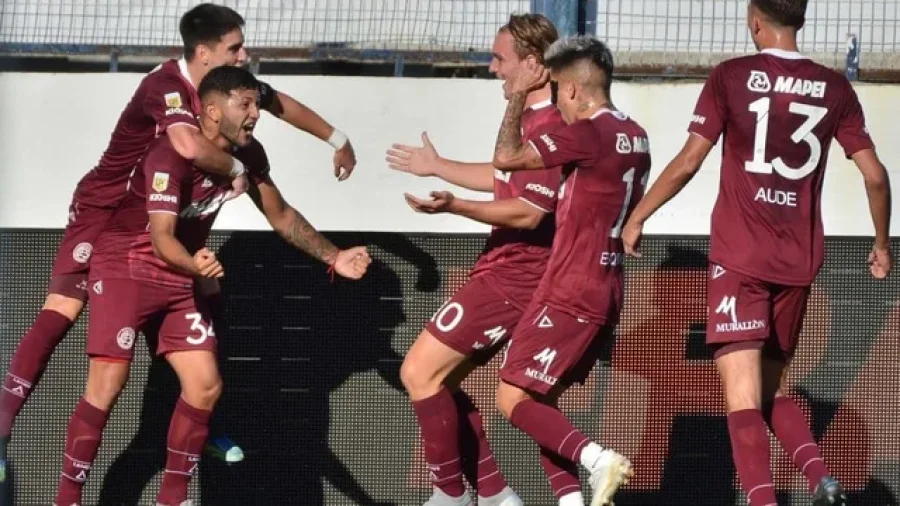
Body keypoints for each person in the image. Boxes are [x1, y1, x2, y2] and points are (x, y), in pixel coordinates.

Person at [0, 2, 357, 477]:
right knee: (63, 310)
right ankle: (3, 427)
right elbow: (188, 146)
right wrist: (236, 170)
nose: (244, 54)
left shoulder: (233, 91)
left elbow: (281, 104)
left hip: (158, 230)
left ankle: (206, 425)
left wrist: (338, 139)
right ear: (205, 52)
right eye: (235, 46)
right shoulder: (165, 86)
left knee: (206, 318)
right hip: (105, 213)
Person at [53, 65, 370, 506]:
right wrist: (196, 268)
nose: (257, 113)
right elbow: (162, 237)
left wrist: (334, 256)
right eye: (246, 104)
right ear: (214, 110)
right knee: (108, 383)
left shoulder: (250, 155)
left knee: (205, 384)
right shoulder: (169, 154)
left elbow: (280, 215)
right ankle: (66, 498)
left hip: (184, 271)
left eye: (257, 103)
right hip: (127, 265)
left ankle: (174, 499)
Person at [621, 1, 892, 505]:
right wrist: (880, 243)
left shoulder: (730, 77)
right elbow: (876, 175)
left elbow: (688, 162)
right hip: (798, 262)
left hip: (741, 257)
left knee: (742, 398)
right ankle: (819, 477)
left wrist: (638, 215)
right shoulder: (836, 88)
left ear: (754, 20)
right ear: (802, 20)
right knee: (769, 394)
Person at [386, 14, 570, 506]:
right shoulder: (527, 117)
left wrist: (455, 205)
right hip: (503, 269)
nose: (492, 68)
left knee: (417, 372)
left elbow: (529, 212)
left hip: (518, 277)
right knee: (442, 380)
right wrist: (438, 165)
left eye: (499, 59)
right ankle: (492, 494)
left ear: (533, 64)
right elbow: (503, 178)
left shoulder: (549, 123)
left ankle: (450, 495)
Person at [489, 36, 648, 506]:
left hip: (570, 286)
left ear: (575, 91)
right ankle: (570, 500)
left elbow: (505, 157)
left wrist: (519, 92)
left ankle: (598, 459)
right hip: (607, 286)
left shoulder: (586, 133)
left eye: (557, 90)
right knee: (542, 404)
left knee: (511, 398)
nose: (556, 101)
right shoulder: (636, 134)